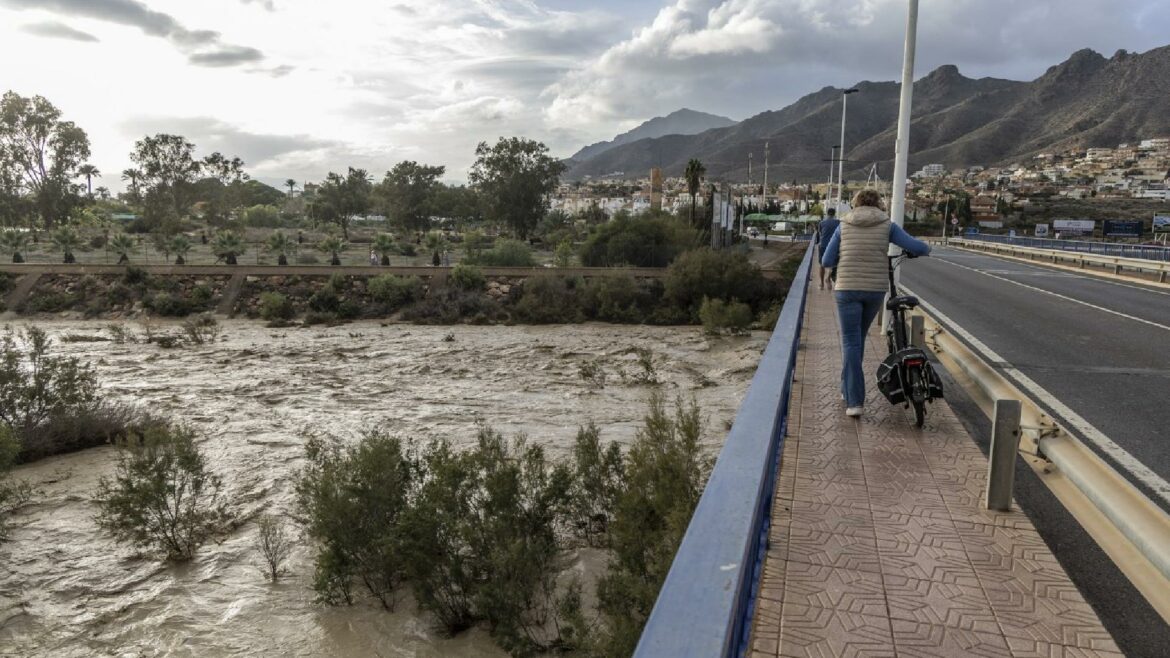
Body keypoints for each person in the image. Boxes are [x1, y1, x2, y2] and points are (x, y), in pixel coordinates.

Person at [821, 189, 930, 417]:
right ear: (879, 204)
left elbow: (826, 260)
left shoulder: (844, 225)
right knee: (858, 338)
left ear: (854, 204)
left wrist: (844, 256)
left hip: (847, 288)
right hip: (874, 290)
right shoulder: (886, 225)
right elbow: (917, 247)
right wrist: (926, 248)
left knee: (851, 342)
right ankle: (847, 388)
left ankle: (854, 401)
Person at [815, 208, 840, 290]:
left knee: (822, 264)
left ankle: (821, 284)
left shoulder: (821, 223)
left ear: (827, 213)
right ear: (834, 213)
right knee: (833, 265)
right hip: (834, 245)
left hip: (823, 245)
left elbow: (820, 233)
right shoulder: (838, 222)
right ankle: (828, 278)